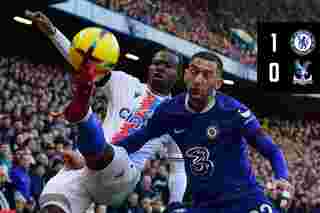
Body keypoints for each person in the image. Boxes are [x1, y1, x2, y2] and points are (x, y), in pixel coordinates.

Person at [72, 51, 294, 213]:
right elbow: (138, 139)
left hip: (244, 199)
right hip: (204, 205)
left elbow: (271, 149)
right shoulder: (169, 110)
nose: (198, 80)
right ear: (186, 74)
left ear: (217, 83)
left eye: (207, 75)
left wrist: (282, 177)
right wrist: (96, 156)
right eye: (195, 72)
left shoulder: (234, 111)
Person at [28, 11, 187, 213]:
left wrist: (175, 203)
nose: (160, 68)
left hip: (123, 173)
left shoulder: (177, 115)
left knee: (111, 152)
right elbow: (84, 63)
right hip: (85, 169)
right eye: (156, 63)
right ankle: (84, 119)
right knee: (53, 207)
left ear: (178, 75)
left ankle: (83, 113)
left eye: (168, 66)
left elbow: (178, 167)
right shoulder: (123, 82)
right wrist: (53, 33)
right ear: (149, 67)